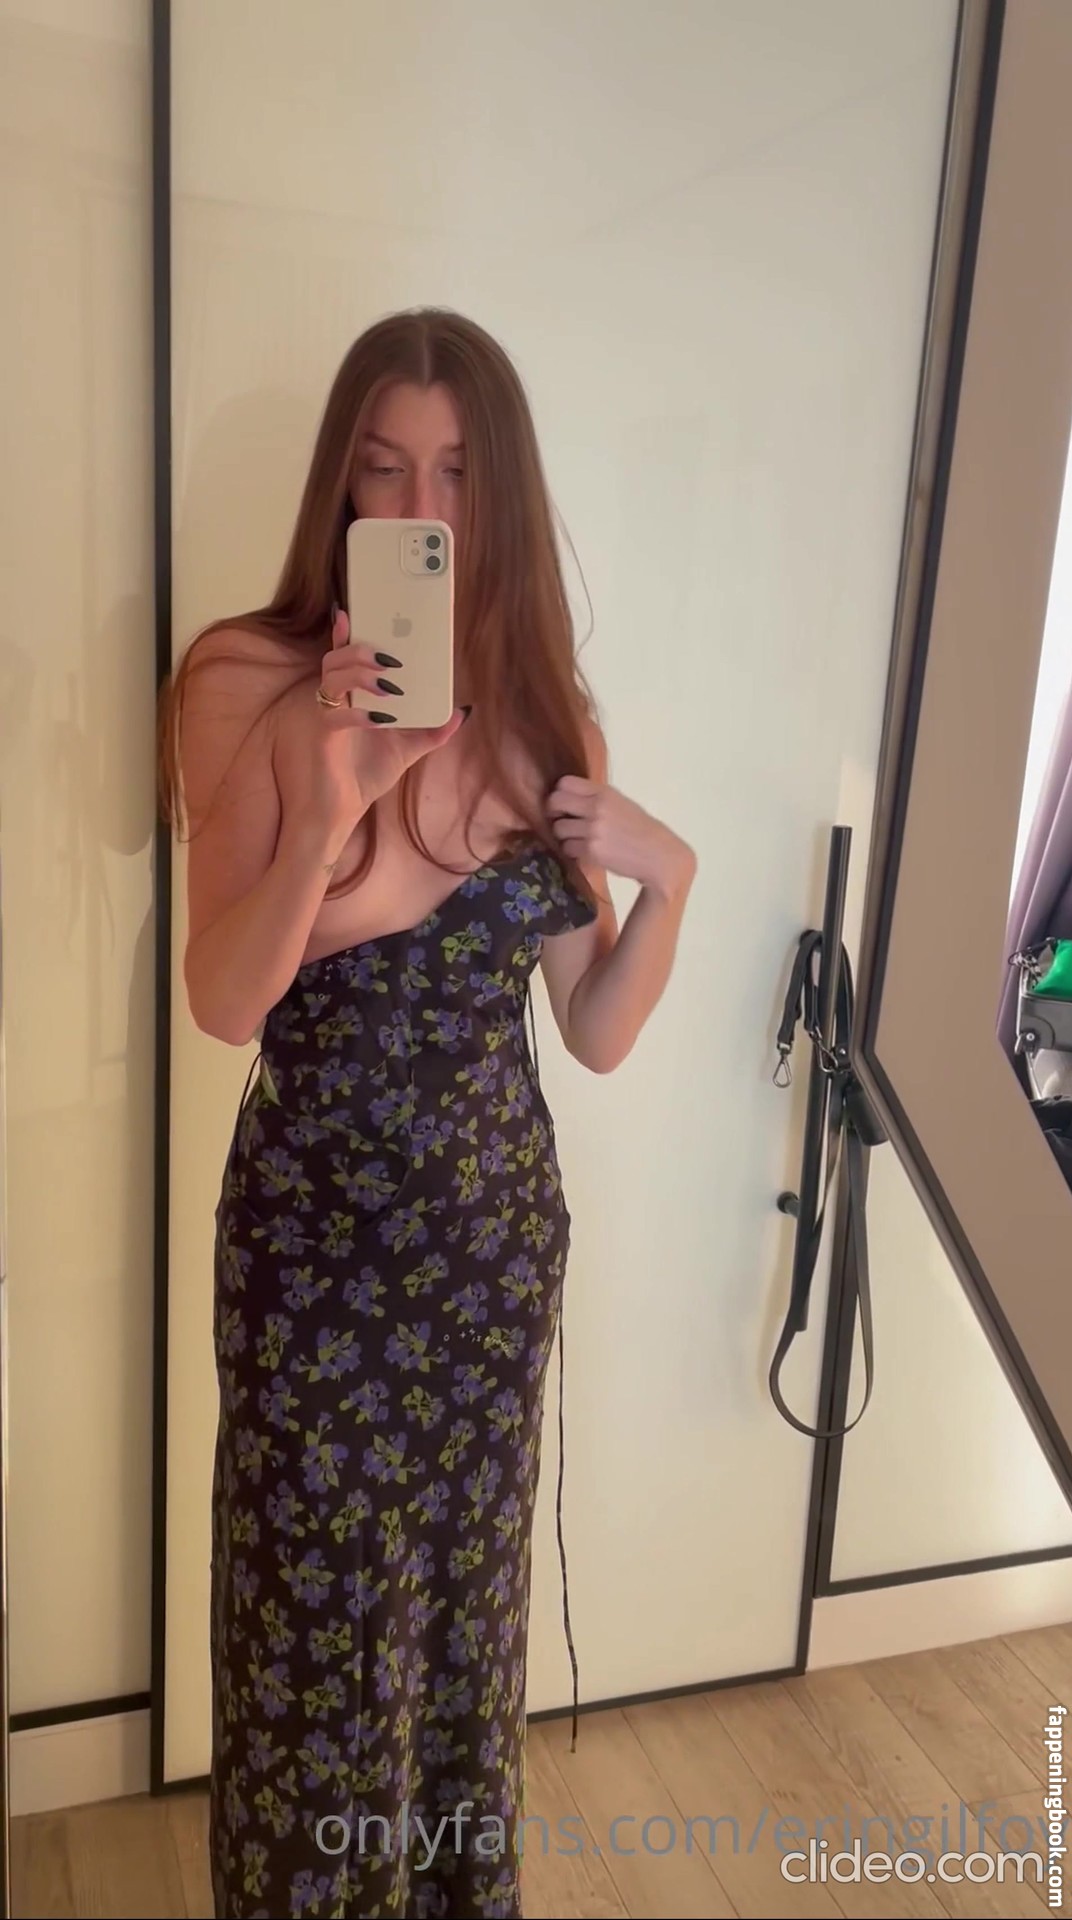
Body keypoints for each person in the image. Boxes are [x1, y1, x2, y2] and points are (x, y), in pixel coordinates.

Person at [159, 307, 697, 1920]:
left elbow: (593, 1029)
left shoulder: (545, 720)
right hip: (315, 1272)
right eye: (384, 469)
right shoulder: (249, 683)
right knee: (311, 1655)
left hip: (487, 1269)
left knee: (462, 1651)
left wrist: (672, 882)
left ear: (500, 493)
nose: (418, 509)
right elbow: (224, 998)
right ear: (341, 487)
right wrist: (341, 801)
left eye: (457, 474)